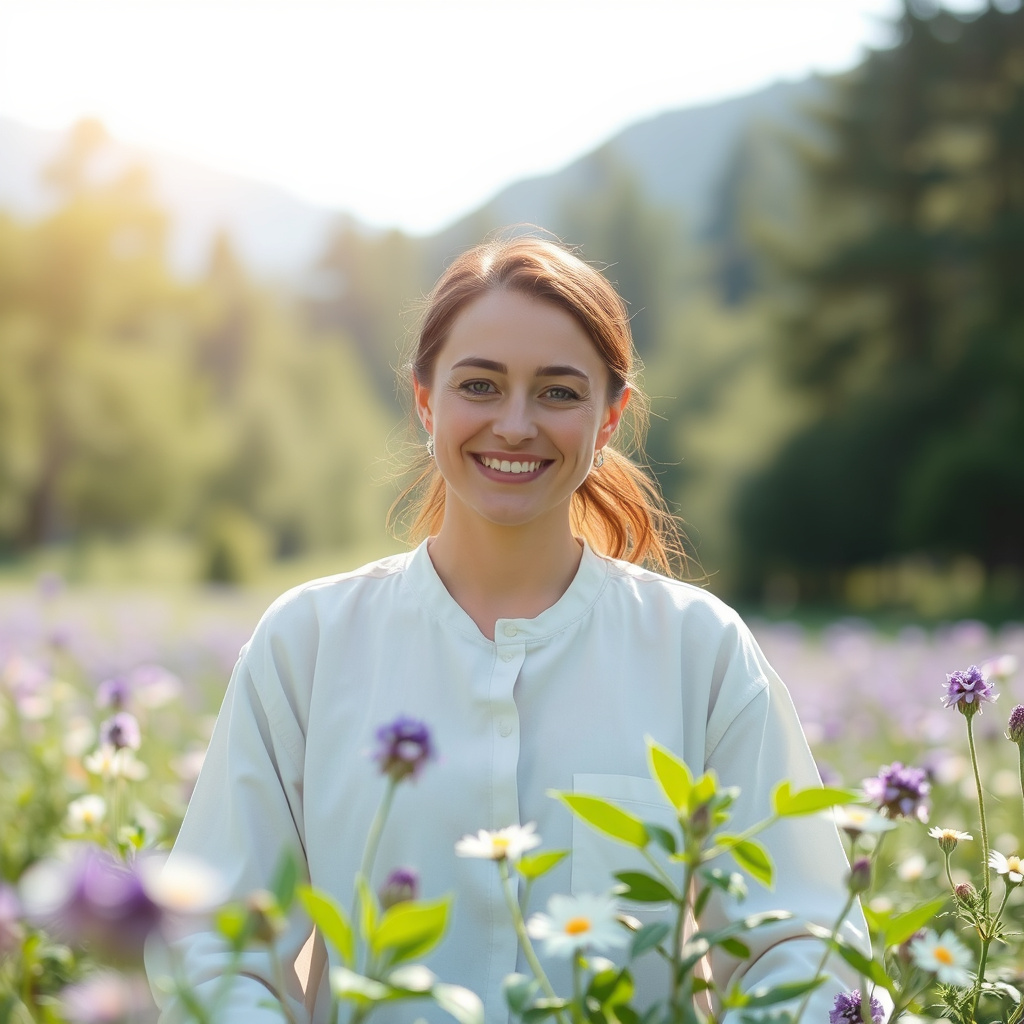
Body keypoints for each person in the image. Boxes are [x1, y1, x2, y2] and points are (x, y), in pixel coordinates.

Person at [147, 234, 871, 1023]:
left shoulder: (700, 651)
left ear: (609, 417)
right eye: (480, 386)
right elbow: (211, 948)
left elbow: (805, 951)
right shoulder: (308, 644)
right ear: (425, 400)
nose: (516, 424)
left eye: (558, 392)